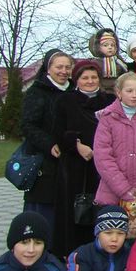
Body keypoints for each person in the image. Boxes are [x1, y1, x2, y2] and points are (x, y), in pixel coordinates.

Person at [54, 59, 116, 255]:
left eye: (93, 77)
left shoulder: (109, 101)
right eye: (85, 78)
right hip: (76, 166)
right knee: (76, 213)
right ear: (77, 80)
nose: (90, 81)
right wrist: (76, 144)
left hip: (104, 165)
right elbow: (58, 131)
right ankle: (73, 254)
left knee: (100, 209)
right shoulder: (65, 101)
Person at [20, 49, 74, 237]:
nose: (64, 71)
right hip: (44, 161)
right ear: (48, 68)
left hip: (70, 159)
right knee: (44, 210)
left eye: (68, 67)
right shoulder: (37, 91)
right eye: (59, 67)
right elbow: (27, 125)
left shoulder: (74, 90)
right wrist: (49, 143)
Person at [93, 73, 136, 210]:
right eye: (129, 91)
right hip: (111, 193)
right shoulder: (107, 118)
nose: (134, 95)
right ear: (119, 93)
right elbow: (103, 157)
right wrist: (122, 188)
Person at [88, 28, 127, 93]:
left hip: (117, 92)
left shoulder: (119, 62)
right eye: (105, 45)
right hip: (101, 92)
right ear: (98, 47)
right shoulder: (95, 63)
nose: (110, 47)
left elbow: (125, 76)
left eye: (112, 45)